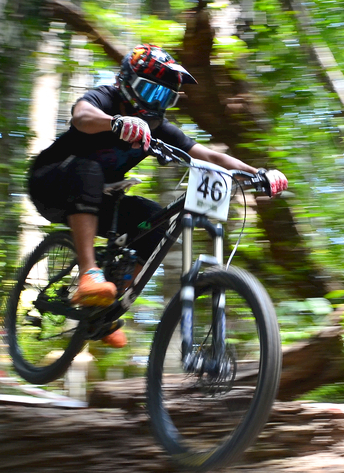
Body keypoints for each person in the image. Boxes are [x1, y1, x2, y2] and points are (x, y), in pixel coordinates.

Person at [28, 44, 288, 348]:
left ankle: (107, 306)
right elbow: (82, 116)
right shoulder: (106, 97)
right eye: (151, 92)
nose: (156, 103)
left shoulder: (158, 127)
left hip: (98, 198)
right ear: (127, 83)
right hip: (52, 182)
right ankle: (89, 272)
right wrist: (114, 122)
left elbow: (207, 156)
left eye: (165, 96)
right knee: (89, 170)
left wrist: (258, 173)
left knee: (156, 224)